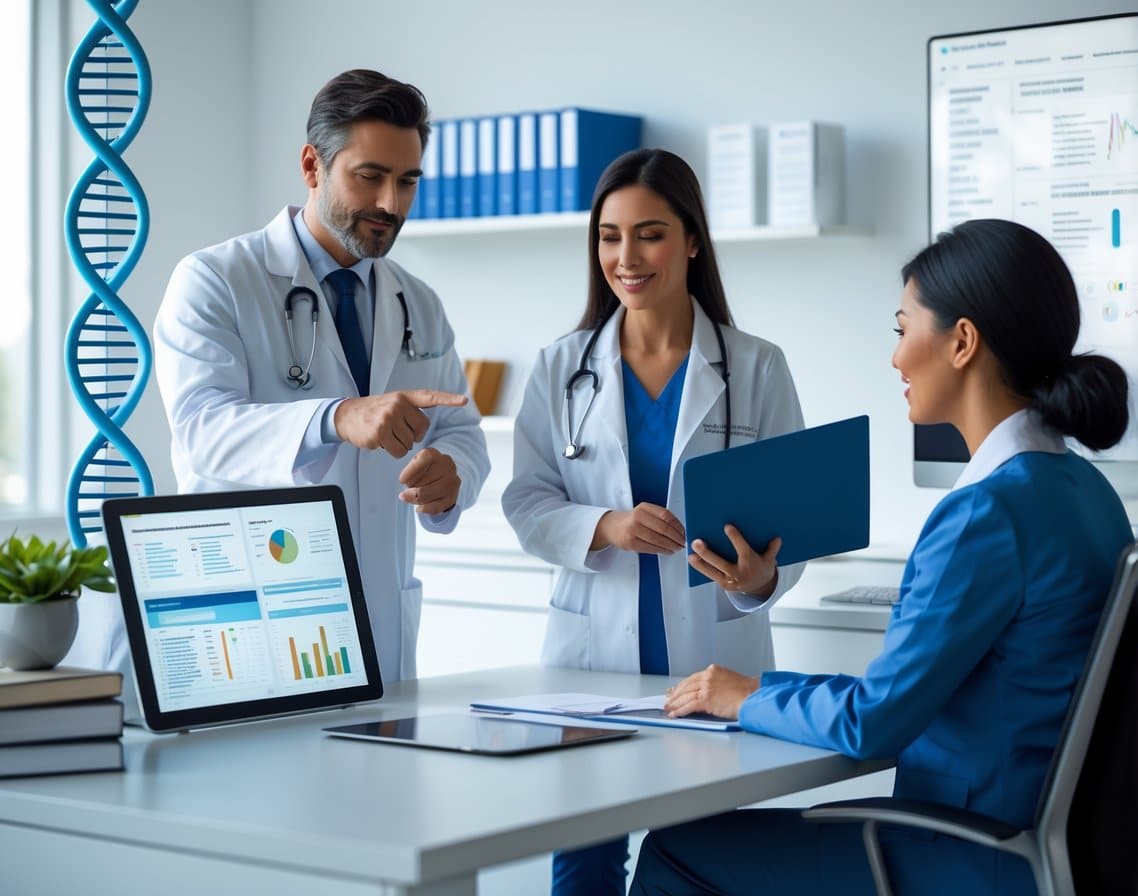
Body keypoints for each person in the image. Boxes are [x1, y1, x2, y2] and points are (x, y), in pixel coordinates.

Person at [629, 218, 1134, 896]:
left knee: (674, 852)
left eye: (902, 330)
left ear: (962, 342)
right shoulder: (1087, 492)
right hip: (1042, 853)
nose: (895, 358)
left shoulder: (986, 513)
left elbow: (874, 721)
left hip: (962, 856)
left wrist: (745, 694)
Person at [502, 148, 806, 896]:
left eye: (650, 234)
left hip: (712, 658)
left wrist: (760, 577)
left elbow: (796, 522)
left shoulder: (757, 367)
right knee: (585, 860)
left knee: (705, 859)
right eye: (609, 236)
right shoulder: (559, 366)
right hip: (588, 663)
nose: (626, 257)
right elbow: (527, 503)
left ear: (693, 240)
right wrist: (605, 526)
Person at [152, 69, 490, 684]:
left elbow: (461, 430)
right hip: (258, 622)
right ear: (313, 166)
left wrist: (453, 473)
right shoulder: (215, 280)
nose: (392, 204)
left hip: (381, 623)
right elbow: (202, 431)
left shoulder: (418, 302)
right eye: (370, 177)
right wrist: (335, 417)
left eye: (408, 181)